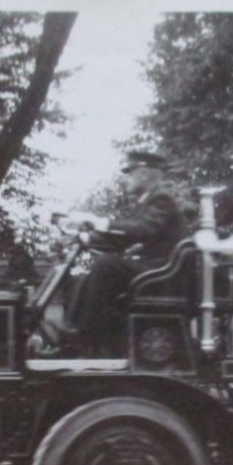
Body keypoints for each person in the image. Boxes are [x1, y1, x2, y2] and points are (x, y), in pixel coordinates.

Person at [62, 151, 189, 355]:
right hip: (154, 269)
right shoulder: (148, 201)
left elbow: (143, 229)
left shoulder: (162, 198)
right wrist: (85, 239)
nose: (124, 178)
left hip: (161, 271)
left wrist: (98, 221)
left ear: (145, 174)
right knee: (83, 276)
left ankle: (84, 335)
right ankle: (74, 334)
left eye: (129, 172)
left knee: (106, 264)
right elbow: (125, 236)